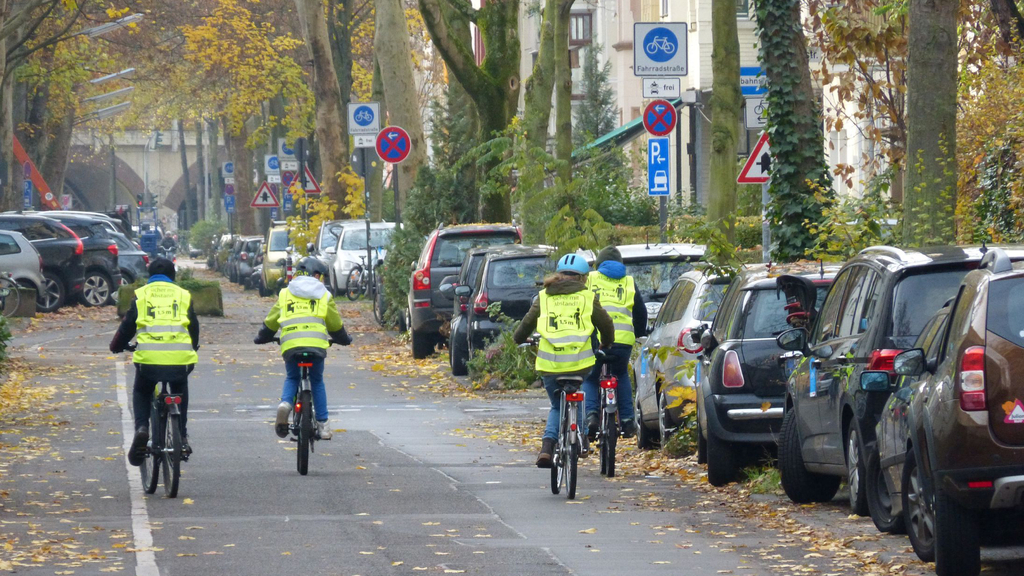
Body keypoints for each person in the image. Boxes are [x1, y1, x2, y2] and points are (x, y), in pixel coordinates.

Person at [513, 254, 615, 468]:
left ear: (558, 275)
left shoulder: (543, 296)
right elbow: (605, 324)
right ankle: (582, 437)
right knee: (578, 393)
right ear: (583, 278)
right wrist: (606, 343)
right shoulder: (587, 297)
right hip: (581, 362)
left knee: (557, 405)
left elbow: (526, 325)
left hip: (550, 365)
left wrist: (520, 339)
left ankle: (547, 448)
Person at [110, 258, 200, 466]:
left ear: (149, 276)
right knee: (180, 388)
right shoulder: (183, 295)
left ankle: (142, 428)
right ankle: (182, 435)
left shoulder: (141, 295)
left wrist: (116, 345)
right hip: (180, 359)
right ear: (173, 276)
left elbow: (127, 327)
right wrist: (193, 347)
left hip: (149, 360)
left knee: (142, 390)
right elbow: (193, 327)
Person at [253, 257, 352, 439]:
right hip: (316, 345)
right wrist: (344, 339)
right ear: (315, 274)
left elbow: (271, 322)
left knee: (292, 377)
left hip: (291, 344)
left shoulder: (285, 294)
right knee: (317, 381)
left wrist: (262, 337)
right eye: (320, 275)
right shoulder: (324, 295)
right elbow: (335, 324)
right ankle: (323, 425)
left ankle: (285, 405)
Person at [583, 246, 648, 440]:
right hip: (623, 341)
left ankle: (591, 415)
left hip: (596, 340)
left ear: (598, 264)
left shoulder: (591, 279)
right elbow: (640, 312)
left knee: (591, 377)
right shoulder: (629, 282)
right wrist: (638, 333)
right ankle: (628, 421)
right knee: (620, 374)